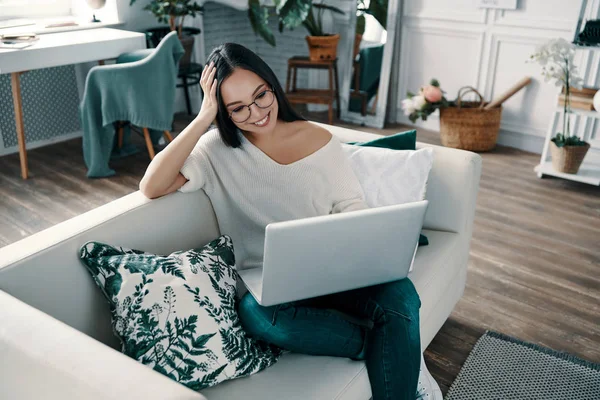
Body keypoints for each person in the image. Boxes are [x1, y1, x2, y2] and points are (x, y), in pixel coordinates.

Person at [139, 42, 442, 400]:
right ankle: (383, 345)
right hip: (273, 284)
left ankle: (393, 356)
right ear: (223, 110)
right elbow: (151, 185)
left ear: (271, 84)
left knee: (402, 298)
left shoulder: (319, 138)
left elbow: (349, 204)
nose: (256, 113)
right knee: (259, 318)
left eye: (261, 96)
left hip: (339, 270)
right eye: (237, 108)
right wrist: (204, 117)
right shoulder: (213, 151)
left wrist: (364, 243)